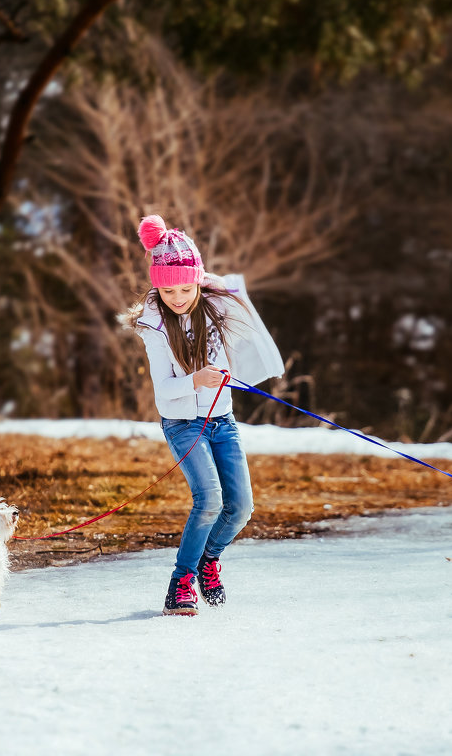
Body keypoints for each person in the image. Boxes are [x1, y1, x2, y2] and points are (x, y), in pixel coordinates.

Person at [121, 214, 285, 615]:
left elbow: (244, 334)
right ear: (157, 289)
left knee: (241, 508)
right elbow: (165, 393)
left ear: (199, 281)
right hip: (181, 424)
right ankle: (180, 582)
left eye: (185, 287)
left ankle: (208, 561)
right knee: (209, 500)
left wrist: (211, 287)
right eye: (168, 289)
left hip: (222, 422)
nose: (177, 297)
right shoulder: (154, 325)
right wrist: (197, 379)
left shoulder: (214, 309)